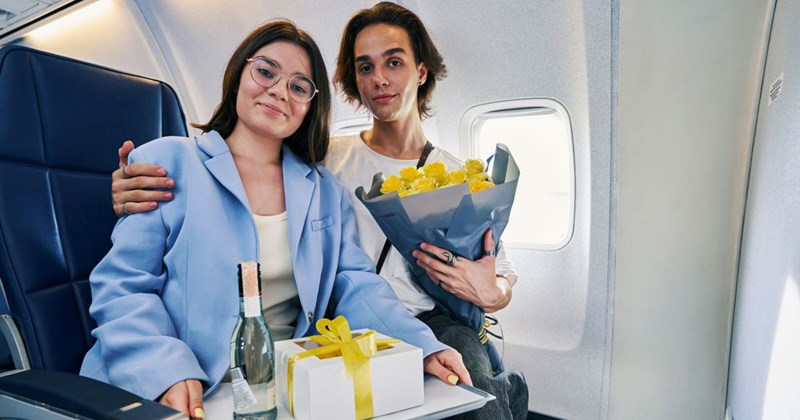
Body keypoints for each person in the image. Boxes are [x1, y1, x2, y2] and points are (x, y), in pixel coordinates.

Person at [111, 3, 528, 419]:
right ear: (239, 72)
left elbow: (353, 282)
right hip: (185, 383)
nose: (278, 91)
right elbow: (124, 286)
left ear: (310, 105)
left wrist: (424, 343)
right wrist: (165, 369)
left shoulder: (320, 186)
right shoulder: (168, 163)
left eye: (298, 86)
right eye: (265, 72)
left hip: (291, 377)